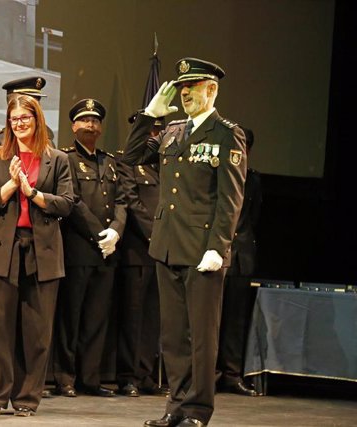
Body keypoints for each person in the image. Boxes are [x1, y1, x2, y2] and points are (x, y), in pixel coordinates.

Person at [123, 57, 246, 427]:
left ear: (212, 89)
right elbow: (130, 158)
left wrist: (218, 245)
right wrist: (148, 116)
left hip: (202, 250)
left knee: (201, 337)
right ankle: (176, 406)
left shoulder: (227, 134)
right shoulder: (173, 131)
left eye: (193, 87)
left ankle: (197, 409)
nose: (186, 94)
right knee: (174, 336)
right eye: (182, 88)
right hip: (168, 244)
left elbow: (230, 197)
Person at [0, 95, 73, 416]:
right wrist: (10, 185)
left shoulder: (56, 159)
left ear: (37, 120)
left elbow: (67, 203)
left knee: (37, 331)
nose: (19, 124)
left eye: (24, 118)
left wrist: (32, 193)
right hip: (1, 249)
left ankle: (27, 399)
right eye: (13, 119)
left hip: (42, 250)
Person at [53, 99, 126, 398]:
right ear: (73, 126)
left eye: (95, 121)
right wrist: (99, 233)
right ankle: (65, 377)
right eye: (84, 120)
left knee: (97, 318)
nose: (91, 125)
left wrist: (116, 232)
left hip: (107, 252)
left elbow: (122, 201)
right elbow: (73, 201)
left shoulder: (110, 161)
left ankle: (91, 378)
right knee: (70, 317)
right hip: (79, 248)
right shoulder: (65, 158)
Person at [114, 147, 167, 397]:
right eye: (150, 129)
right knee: (133, 318)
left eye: (158, 129)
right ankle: (128, 376)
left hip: (165, 252)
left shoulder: (165, 164)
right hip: (139, 248)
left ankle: (146, 374)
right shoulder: (128, 161)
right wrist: (156, 235)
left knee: (153, 318)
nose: (155, 135)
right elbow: (131, 202)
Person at [216, 127, 262, 397]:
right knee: (211, 320)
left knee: (234, 320)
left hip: (241, 255)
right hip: (215, 253)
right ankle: (207, 375)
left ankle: (232, 374)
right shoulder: (216, 172)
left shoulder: (253, 179)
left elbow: (252, 217)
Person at [0, 76, 52, 157]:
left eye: (37, 101)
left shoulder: (47, 140)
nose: (36, 106)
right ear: (13, 103)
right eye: (28, 102)